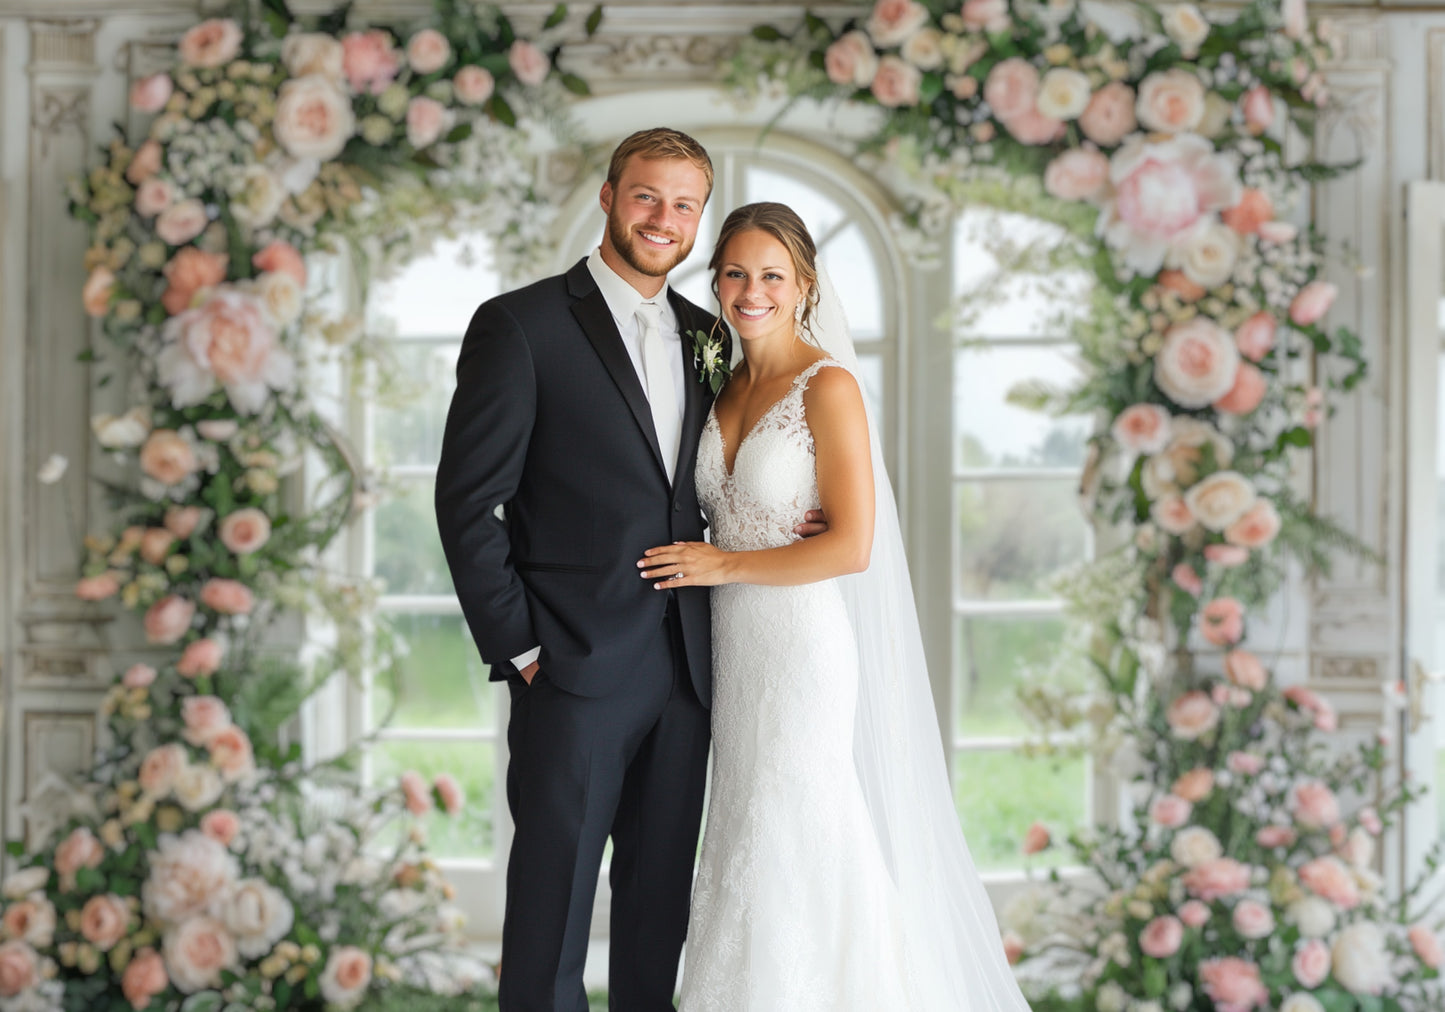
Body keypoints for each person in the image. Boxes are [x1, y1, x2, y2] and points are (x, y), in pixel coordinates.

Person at [434, 131, 822, 1011]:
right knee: (550, 925)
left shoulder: (707, 336)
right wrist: (523, 648)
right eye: (647, 197)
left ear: (700, 221)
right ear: (609, 197)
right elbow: (466, 504)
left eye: (684, 205)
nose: (664, 220)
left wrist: (803, 515)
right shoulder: (520, 325)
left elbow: (726, 478)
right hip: (570, 668)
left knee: (657, 921)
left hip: (690, 671)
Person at [640, 203, 1035, 1010]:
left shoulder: (829, 386)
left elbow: (851, 546)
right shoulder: (718, 385)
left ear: (804, 286)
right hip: (733, 651)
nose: (751, 291)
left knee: (794, 827)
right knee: (745, 830)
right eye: (735, 273)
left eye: (771, 276)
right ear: (715, 280)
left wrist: (726, 562)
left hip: (799, 648)